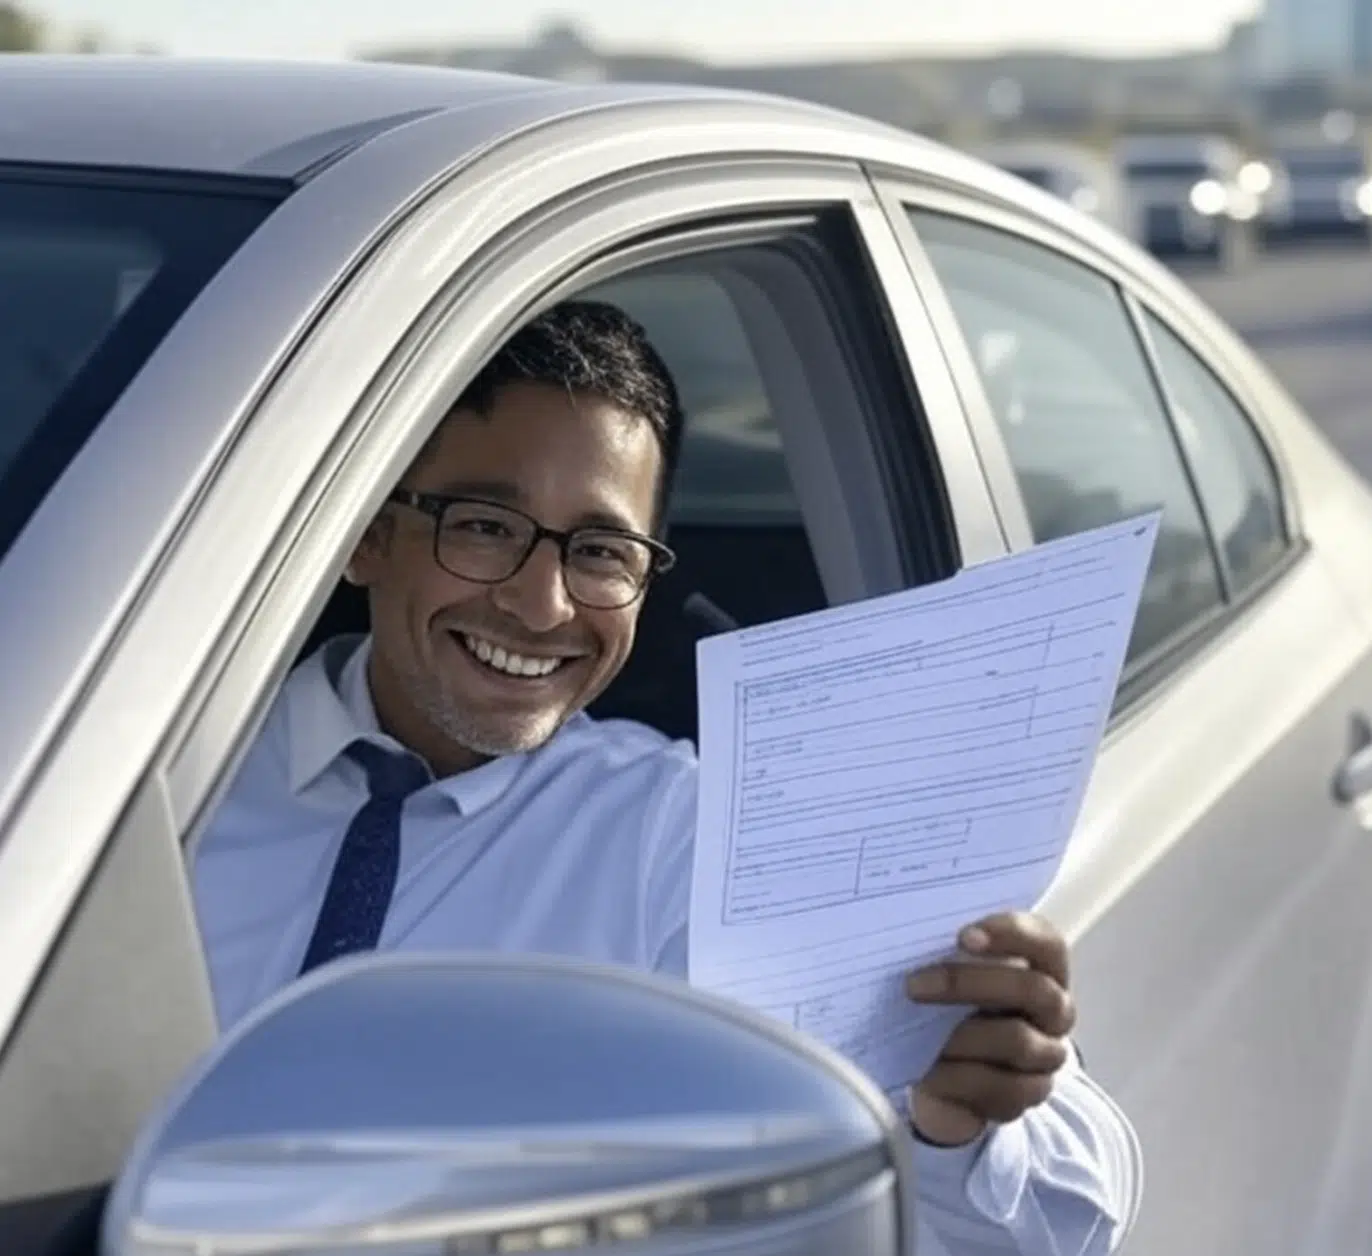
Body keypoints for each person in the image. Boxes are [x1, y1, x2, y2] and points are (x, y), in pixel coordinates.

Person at [191, 300, 1141, 1255]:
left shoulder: (690, 840)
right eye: (483, 527)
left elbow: (1072, 1211)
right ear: (367, 535)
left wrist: (959, 1125)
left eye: (602, 552)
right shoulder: (162, 789)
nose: (540, 601)